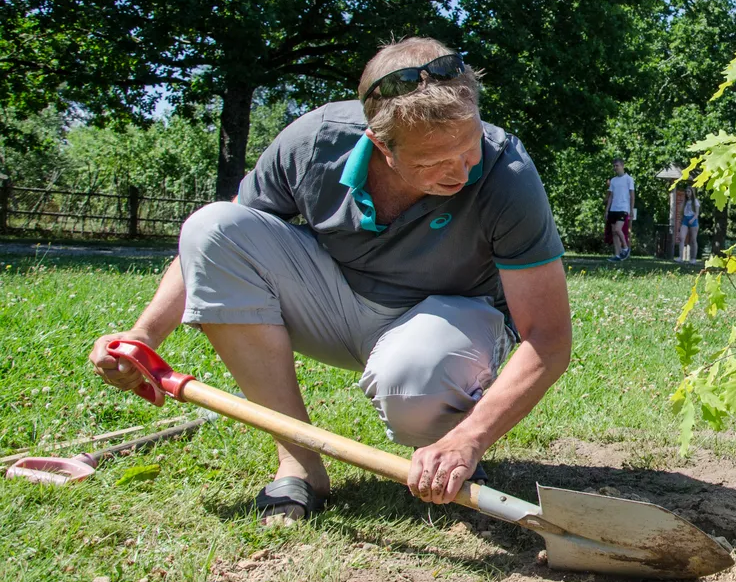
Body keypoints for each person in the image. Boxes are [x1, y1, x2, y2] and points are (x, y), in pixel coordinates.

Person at [88, 38, 572, 521]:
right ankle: (298, 461)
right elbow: (215, 248)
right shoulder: (315, 142)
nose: (462, 173)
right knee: (210, 224)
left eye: (468, 150)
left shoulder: (506, 170)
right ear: (380, 144)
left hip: (449, 321)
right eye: (433, 162)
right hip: (335, 306)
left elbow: (548, 338)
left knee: (415, 383)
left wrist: (471, 436)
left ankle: (443, 448)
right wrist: (143, 336)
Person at [604, 158, 635, 261]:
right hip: (613, 209)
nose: (615, 168)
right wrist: (607, 210)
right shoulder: (613, 180)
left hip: (623, 208)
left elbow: (632, 195)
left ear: (622, 166)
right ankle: (617, 255)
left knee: (618, 229)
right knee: (614, 232)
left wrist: (631, 210)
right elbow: (611, 197)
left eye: (617, 165)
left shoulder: (629, 179)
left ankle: (625, 248)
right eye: (614, 166)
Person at [676, 185, 701, 264]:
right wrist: (681, 220)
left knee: (693, 240)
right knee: (681, 238)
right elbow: (682, 212)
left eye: (689, 192)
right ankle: (680, 257)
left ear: (692, 192)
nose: (687, 193)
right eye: (686, 192)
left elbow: (697, 214)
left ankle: (693, 259)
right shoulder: (685, 202)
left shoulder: (695, 201)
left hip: (693, 220)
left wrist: (692, 219)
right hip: (685, 220)